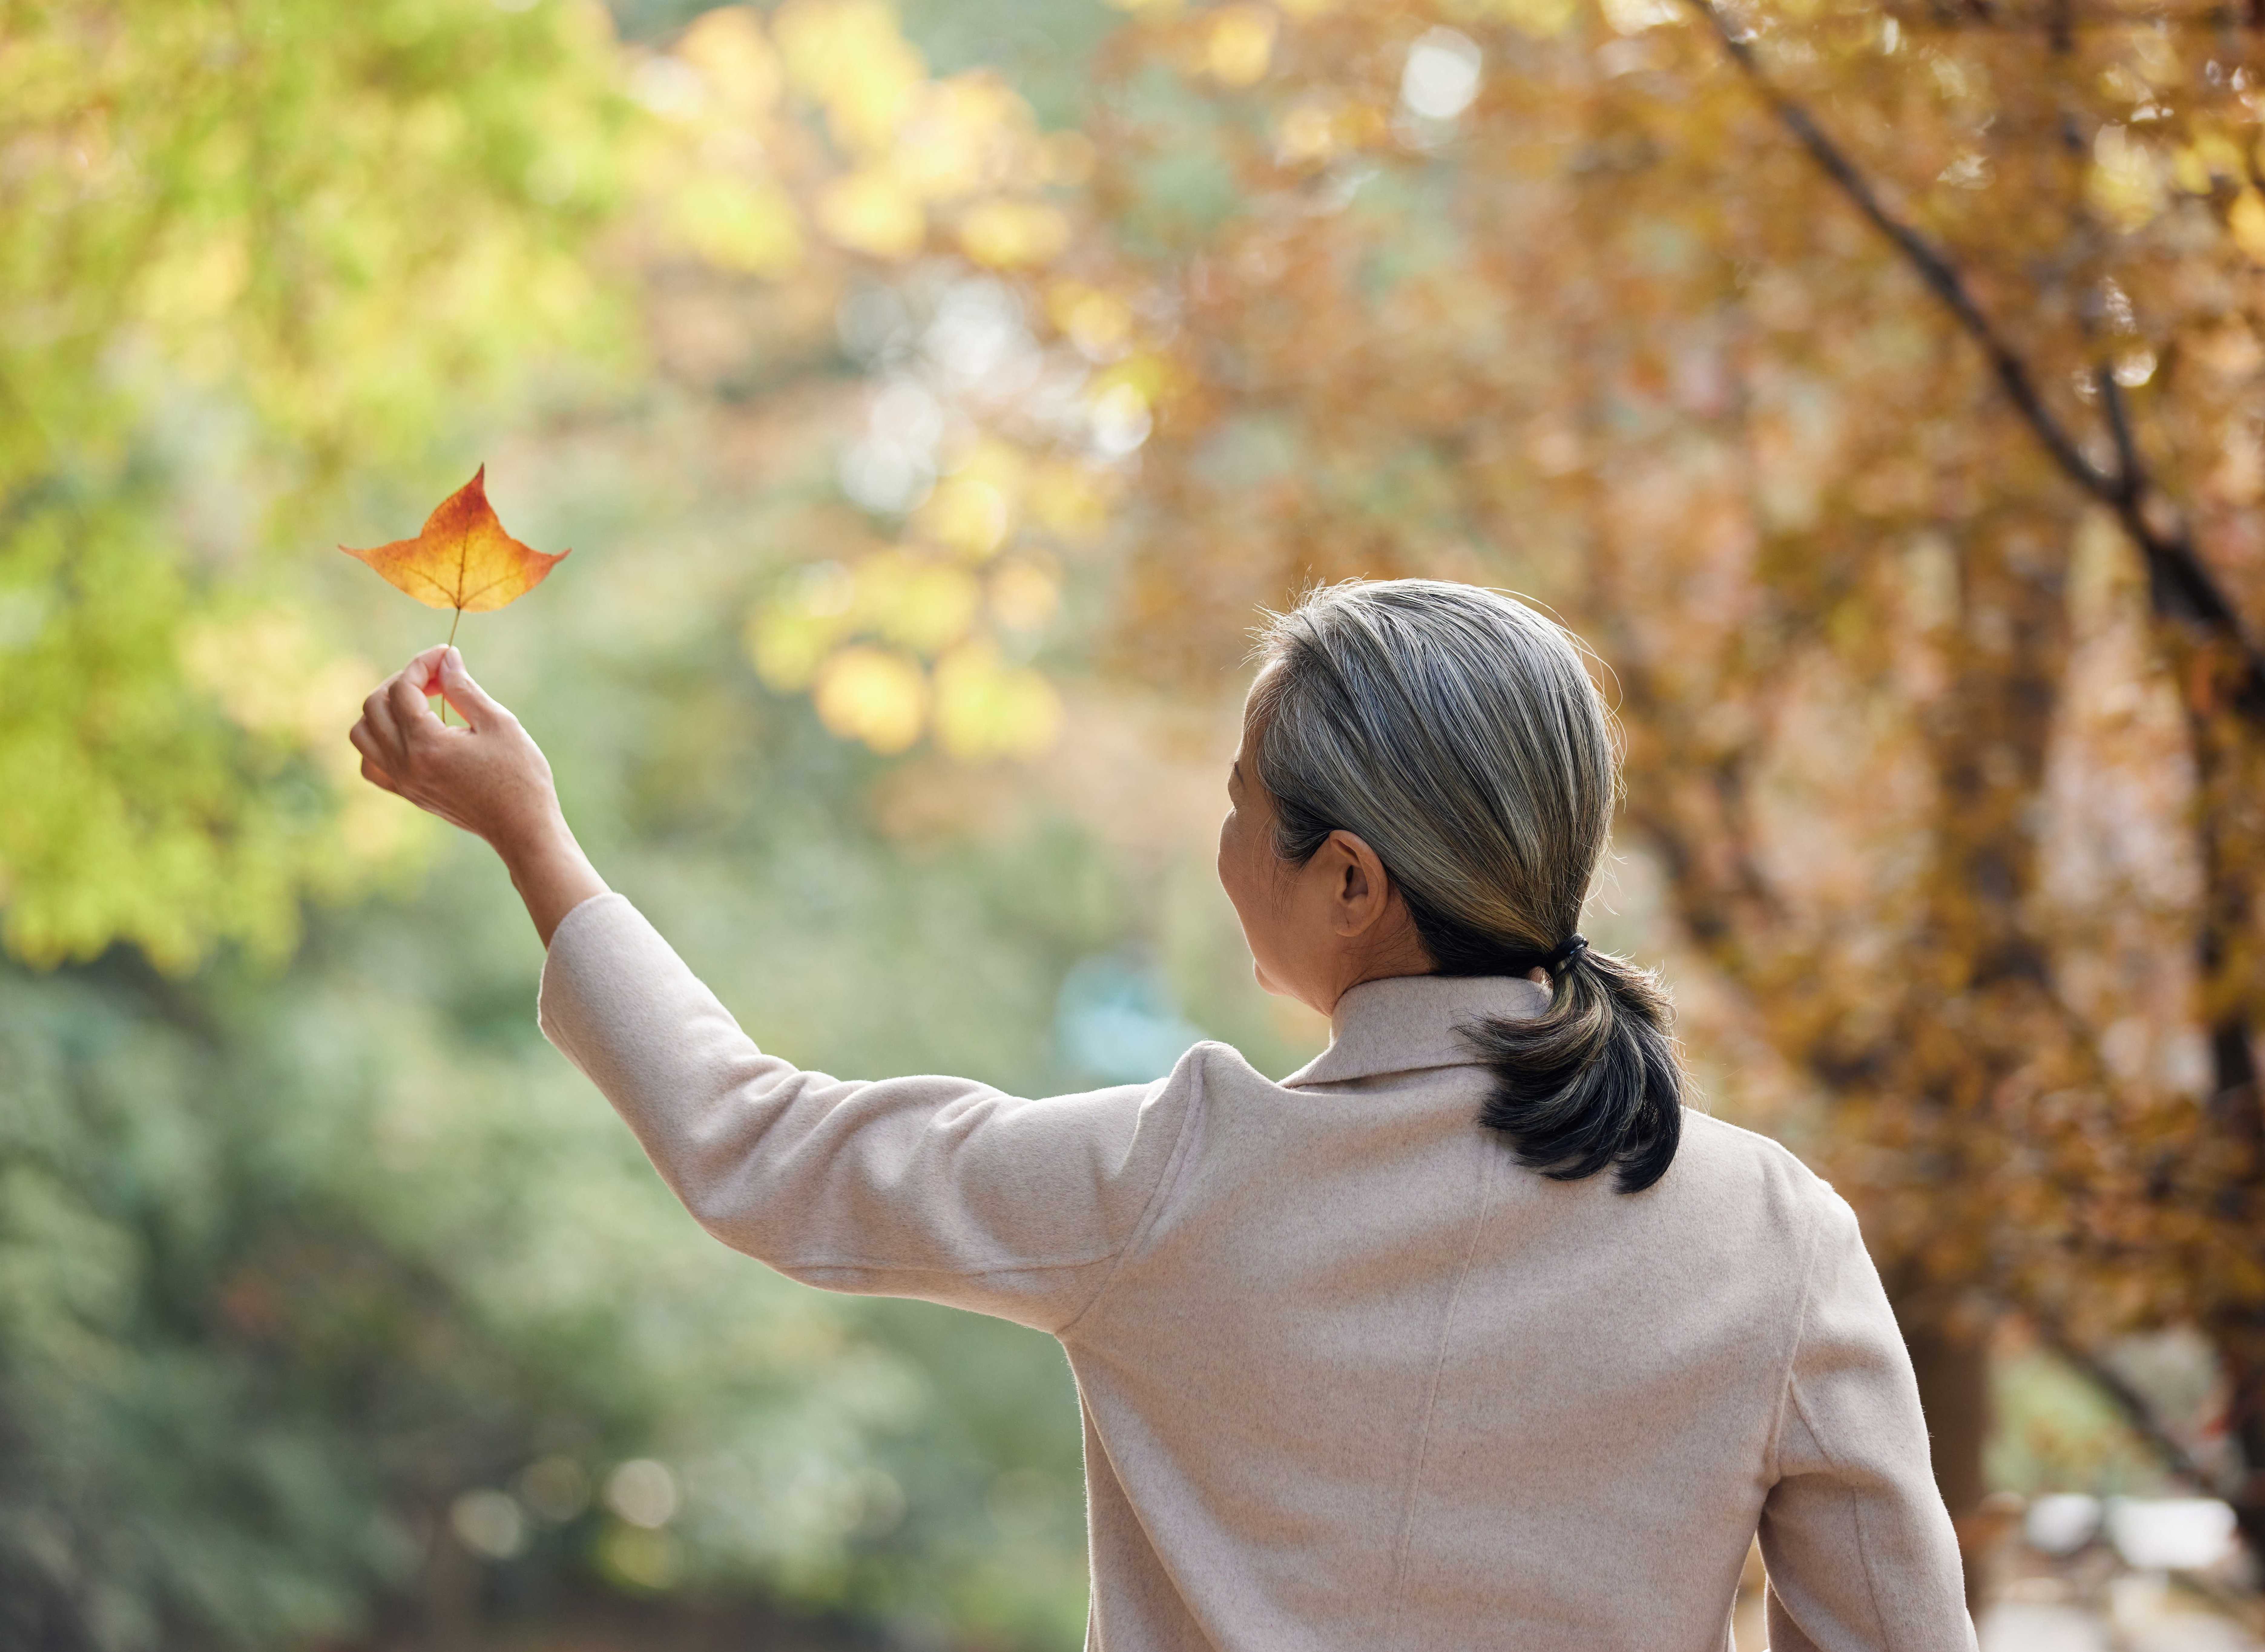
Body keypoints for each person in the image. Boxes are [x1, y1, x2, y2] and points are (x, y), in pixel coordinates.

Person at [350, 578, 1974, 1651]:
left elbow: (762, 1146)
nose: (1219, 848)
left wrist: (536, 843)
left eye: (1240, 807)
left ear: (1350, 881)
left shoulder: (1174, 1180)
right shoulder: (1779, 1239)